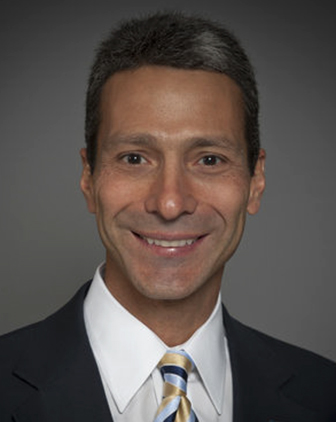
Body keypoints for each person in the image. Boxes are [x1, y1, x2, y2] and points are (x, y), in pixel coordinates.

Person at [1, 11, 335, 422]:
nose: (171, 203)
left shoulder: (324, 395)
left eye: (209, 159)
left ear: (255, 180)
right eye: (135, 158)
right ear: (88, 177)